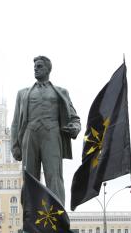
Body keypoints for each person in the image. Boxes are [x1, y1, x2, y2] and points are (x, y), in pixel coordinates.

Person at [11, 55, 81, 205]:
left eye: (39, 66)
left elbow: (74, 118)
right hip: (30, 136)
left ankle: (59, 218)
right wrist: (15, 145)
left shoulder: (61, 92)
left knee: (54, 176)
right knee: (29, 177)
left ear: (48, 69)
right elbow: (16, 122)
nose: (36, 69)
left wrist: (74, 128)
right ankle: (31, 219)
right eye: (35, 67)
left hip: (52, 135)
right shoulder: (23, 94)